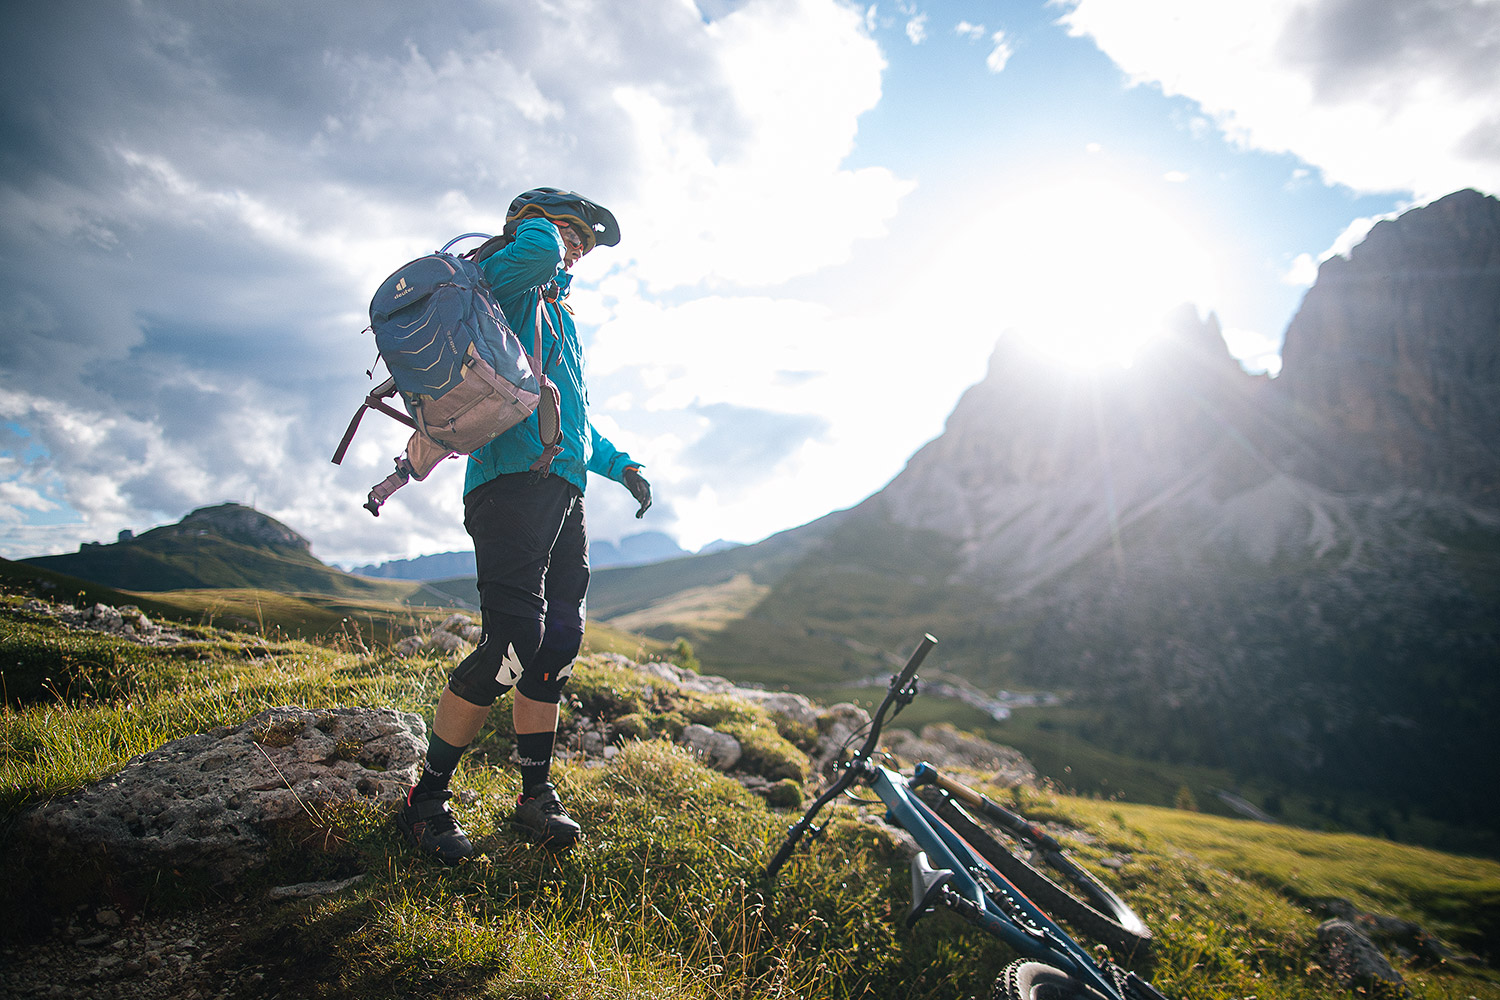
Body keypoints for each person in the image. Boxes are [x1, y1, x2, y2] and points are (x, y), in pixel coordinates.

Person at [396, 187, 651, 861]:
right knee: (512, 640)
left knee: (557, 644)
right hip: (507, 488)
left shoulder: (556, 316)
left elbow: (573, 423)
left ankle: (533, 797)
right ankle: (426, 802)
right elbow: (536, 250)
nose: (575, 251)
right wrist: (540, 227)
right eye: (573, 236)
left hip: (563, 492)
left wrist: (622, 467)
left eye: (583, 246)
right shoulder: (503, 280)